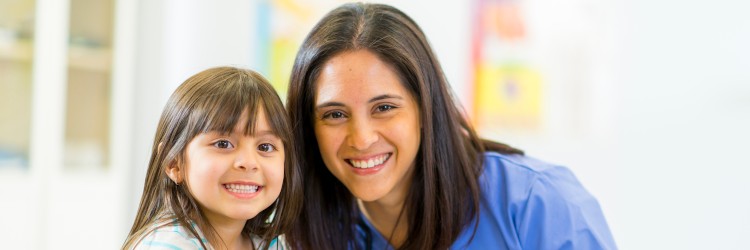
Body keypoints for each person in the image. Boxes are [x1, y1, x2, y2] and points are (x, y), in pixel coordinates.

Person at [285, 3, 616, 249]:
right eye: (335, 115)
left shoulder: (539, 204)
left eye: (384, 108)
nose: (362, 138)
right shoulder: (316, 231)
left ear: (426, 109)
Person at [122, 67, 301, 249]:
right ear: (174, 162)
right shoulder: (166, 246)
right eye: (223, 144)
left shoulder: (273, 245)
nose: (248, 162)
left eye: (265, 147)